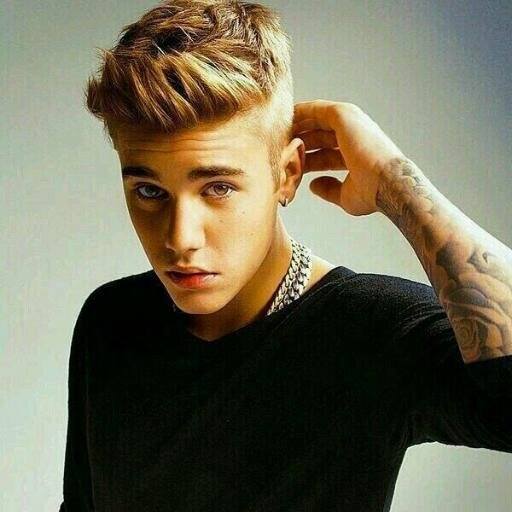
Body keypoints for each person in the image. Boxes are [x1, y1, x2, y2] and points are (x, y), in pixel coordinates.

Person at [59, 1, 512, 510]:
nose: (180, 238)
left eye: (218, 188)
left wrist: (398, 184)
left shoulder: (372, 333)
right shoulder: (111, 321)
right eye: (149, 192)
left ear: (287, 173)